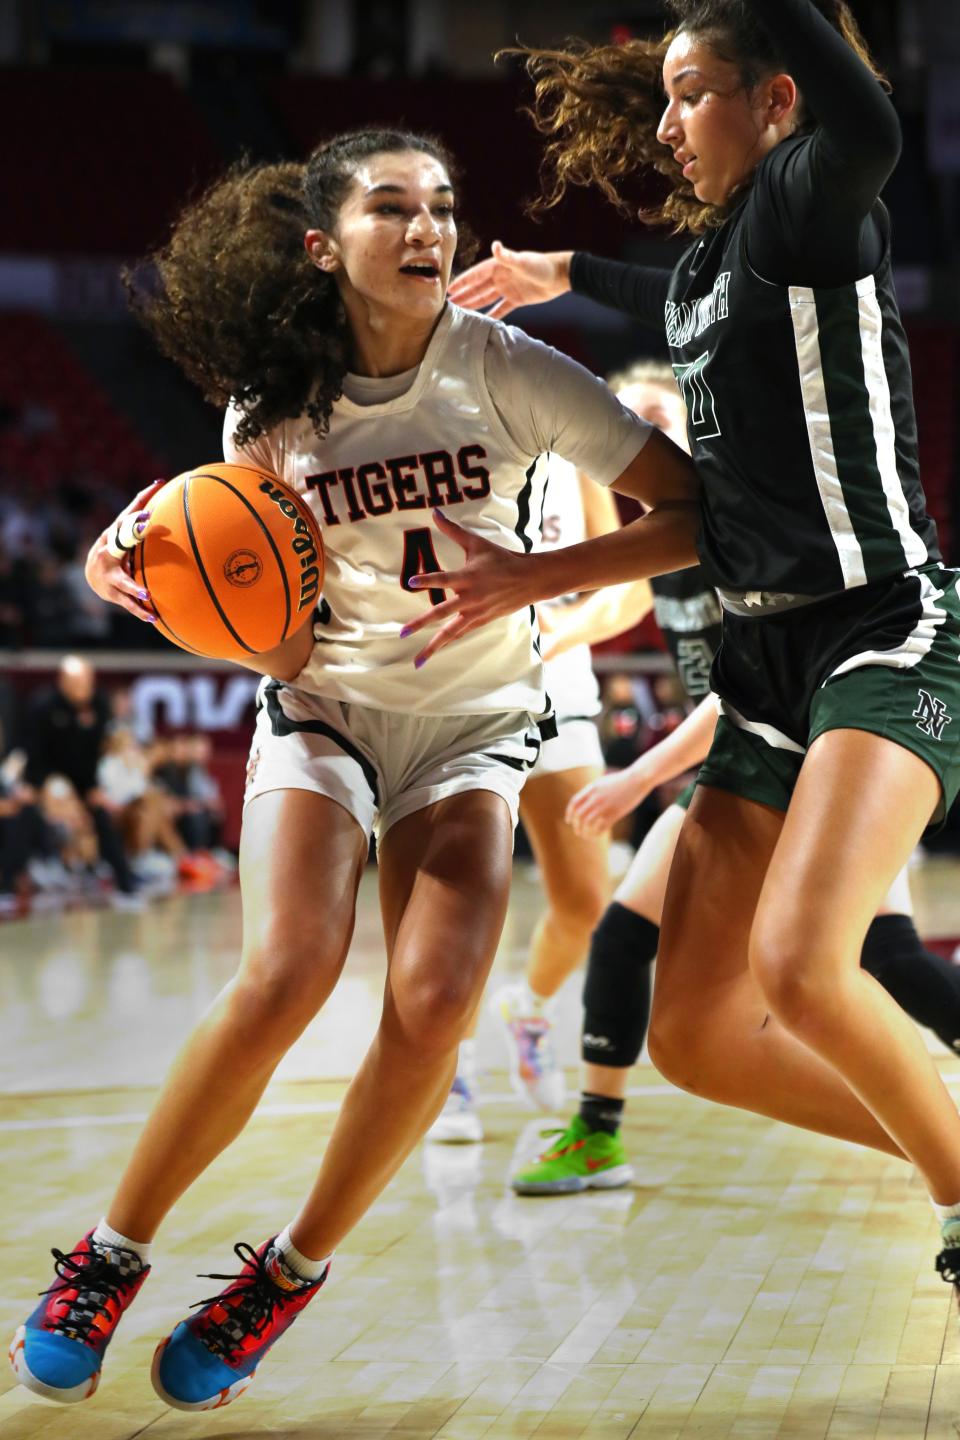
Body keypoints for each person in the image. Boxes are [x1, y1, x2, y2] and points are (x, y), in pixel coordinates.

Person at [10, 131, 699, 1411]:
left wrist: (531, 583)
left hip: (475, 722)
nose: (430, 228)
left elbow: (691, 513)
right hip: (325, 706)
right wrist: (165, 588)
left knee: (435, 1005)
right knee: (283, 976)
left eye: (442, 206)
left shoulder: (510, 367)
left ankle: (286, 1272)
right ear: (327, 243)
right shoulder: (271, 407)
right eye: (395, 208)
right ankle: (108, 1259)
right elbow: (272, 635)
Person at [418, 0, 960, 1294]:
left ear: (776, 104)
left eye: (692, 92)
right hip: (764, 671)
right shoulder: (720, 274)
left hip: (885, 629)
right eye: (659, 96)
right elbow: (696, 510)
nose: (665, 124)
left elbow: (871, 124)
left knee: (805, 965)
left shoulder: (808, 208)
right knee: (701, 1037)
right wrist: (533, 576)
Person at [429, 456, 652, 1140]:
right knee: (462, 904)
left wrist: (564, 629)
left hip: (561, 697)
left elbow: (631, 591)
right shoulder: (439, 451)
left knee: (586, 902)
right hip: (460, 700)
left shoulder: (568, 455)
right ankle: (448, 1070)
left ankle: (528, 1008)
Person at [21, 655, 143, 908]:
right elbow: (35, 755)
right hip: (51, 778)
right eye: (78, 681)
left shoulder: (99, 704)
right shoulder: (43, 706)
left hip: (85, 780)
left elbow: (99, 751)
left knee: (101, 816)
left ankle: (125, 883)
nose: (84, 687)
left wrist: (95, 788)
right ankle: (63, 869)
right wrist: (44, 787)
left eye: (88, 680)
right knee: (71, 812)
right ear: (63, 681)